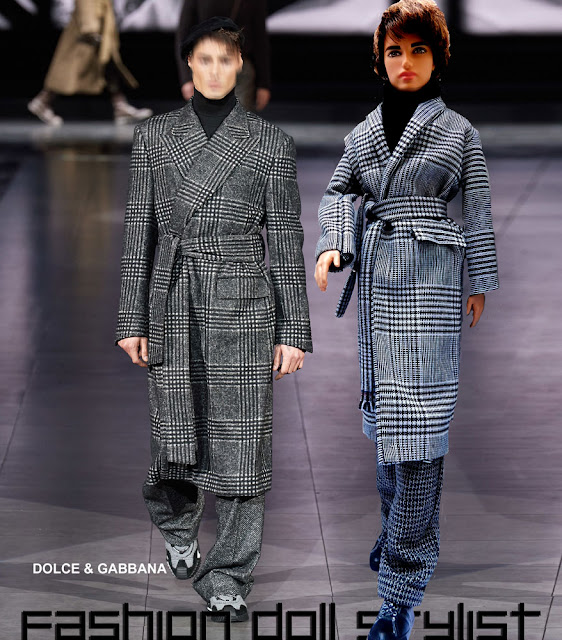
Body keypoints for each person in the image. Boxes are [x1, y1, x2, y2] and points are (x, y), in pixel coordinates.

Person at [116, 17, 312, 623]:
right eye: (205, 59)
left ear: (240, 65)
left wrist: (293, 330)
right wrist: (130, 318)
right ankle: (177, 523)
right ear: (189, 65)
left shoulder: (270, 143)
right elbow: (139, 233)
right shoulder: (153, 137)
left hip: (243, 305)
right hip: (173, 302)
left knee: (243, 445)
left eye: (226, 60)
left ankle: (228, 575)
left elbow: (286, 241)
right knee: (175, 435)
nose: (216, 70)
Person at [314, 2, 498, 639]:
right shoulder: (364, 133)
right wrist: (336, 243)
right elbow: (339, 191)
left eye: (419, 49)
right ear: (380, 60)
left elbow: (476, 206)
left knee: (421, 438)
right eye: (395, 51)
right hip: (380, 289)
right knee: (391, 433)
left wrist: (480, 278)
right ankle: (397, 533)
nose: (406, 62)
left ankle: (400, 589)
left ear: (438, 57)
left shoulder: (458, 132)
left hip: (433, 284)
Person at [28, 0, 152, 126]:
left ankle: (120, 106)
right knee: (70, 68)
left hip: (99, 25)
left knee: (109, 65)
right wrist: (90, 27)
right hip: (88, 31)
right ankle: (43, 101)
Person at [175, 1, 271, 111]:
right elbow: (183, 35)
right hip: (205, 66)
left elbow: (260, 39)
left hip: (239, 67)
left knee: (238, 117)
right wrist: (186, 79)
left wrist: (263, 84)